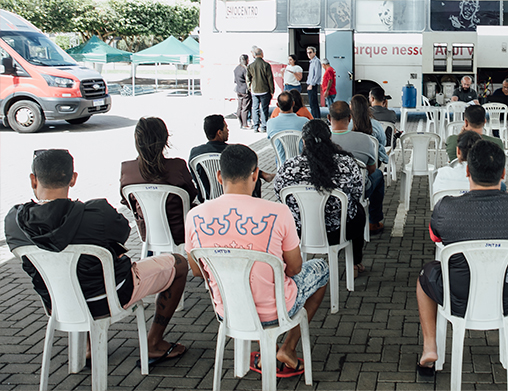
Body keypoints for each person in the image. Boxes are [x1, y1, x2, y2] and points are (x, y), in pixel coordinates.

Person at [7, 149, 189, 366]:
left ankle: (89, 347)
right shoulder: (97, 213)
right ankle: (154, 342)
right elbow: (122, 235)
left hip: (57, 303)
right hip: (111, 296)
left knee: (75, 276)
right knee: (180, 264)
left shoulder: (13, 222)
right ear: (73, 179)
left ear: (33, 180)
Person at [185, 144, 328, 378]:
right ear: (255, 174)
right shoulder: (278, 212)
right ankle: (288, 347)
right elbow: (295, 268)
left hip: (227, 310)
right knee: (321, 269)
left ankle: (267, 348)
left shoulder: (195, 215)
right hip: (276, 310)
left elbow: (198, 271)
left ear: (219, 176)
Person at [416, 140, 508, 374]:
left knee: (425, 275)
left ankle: (430, 346)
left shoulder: (446, 207)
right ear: (503, 173)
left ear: (468, 170)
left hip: (458, 297)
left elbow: (435, 237)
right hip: (505, 295)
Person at [274, 119, 367, 273]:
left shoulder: (288, 166)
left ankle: (292, 266)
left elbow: (280, 196)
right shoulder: (346, 163)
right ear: (330, 139)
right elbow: (357, 193)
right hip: (340, 232)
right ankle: (355, 263)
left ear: (303, 141)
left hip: (300, 232)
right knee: (358, 210)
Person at [120, 117, 197, 246]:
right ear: (165, 139)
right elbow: (191, 195)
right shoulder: (177, 166)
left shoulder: (127, 169)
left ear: (137, 140)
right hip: (180, 231)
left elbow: (127, 201)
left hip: (148, 232)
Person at [328, 101, 386, 235]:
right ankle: (373, 222)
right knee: (378, 175)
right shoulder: (365, 139)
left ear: (329, 118)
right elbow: (371, 169)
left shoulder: (323, 140)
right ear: (349, 118)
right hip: (358, 191)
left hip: (328, 190)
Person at [189, 114, 274, 200]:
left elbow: (196, 178)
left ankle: (261, 174)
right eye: (226, 127)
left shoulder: (195, 153)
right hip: (235, 198)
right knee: (252, 176)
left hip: (208, 198)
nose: (228, 130)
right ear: (219, 132)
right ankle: (260, 178)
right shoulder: (234, 151)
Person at [266, 92, 309, 163]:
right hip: (301, 163)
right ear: (293, 104)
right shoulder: (305, 121)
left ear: (277, 105)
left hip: (282, 165)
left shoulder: (270, 123)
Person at [349, 94, 388, 165]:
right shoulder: (376, 124)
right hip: (372, 162)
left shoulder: (347, 125)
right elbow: (383, 142)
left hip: (350, 163)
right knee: (378, 174)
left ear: (351, 108)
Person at [247, 47, 275, 133]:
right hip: (264, 90)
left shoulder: (250, 66)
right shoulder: (266, 65)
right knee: (264, 108)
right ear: (262, 54)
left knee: (255, 108)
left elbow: (248, 79)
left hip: (254, 90)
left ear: (254, 55)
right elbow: (270, 79)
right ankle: (263, 126)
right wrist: (272, 90)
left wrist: (250, 88)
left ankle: (255, 126)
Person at [234, 54, 251, 129]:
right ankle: (244, 124)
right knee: (245, 107)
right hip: (245, 90)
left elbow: (235, 80)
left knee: (239, 106)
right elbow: (247, 80)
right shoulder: (245, 69)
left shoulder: (236, 68)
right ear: (245, 60)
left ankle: (240, 121)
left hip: (238, 89)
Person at [306, 46, 322, 119]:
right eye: (307, 52)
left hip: (313, 85)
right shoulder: (312, 61)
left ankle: (316, 118)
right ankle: (315, 117)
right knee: (312, 103)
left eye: (310, 52)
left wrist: (312, 84)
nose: (308, 54)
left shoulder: (316, 61)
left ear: (314, 53)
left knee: (313, 103)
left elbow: (317, 74)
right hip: (310, 84)